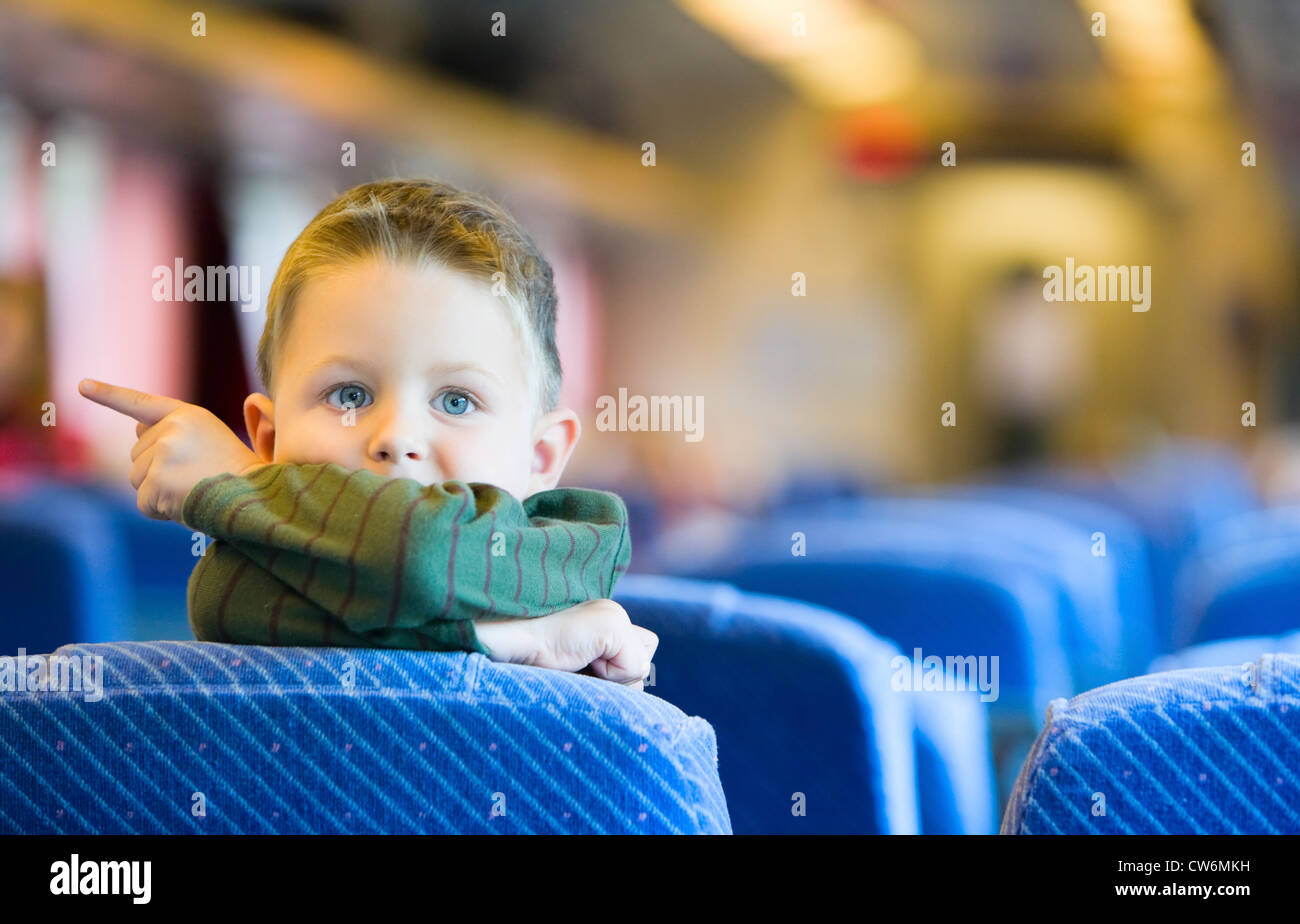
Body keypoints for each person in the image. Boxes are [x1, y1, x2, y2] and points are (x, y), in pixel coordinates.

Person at [79, 178, 656, 689]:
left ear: (540, 457)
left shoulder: (576, 543)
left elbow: (419, 553)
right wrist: (507, 641)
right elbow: (224, 599)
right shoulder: (255, 557)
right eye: (349, 395)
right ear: (270, 436)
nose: (395, 436)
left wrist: (239, 480)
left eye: (456, 401)